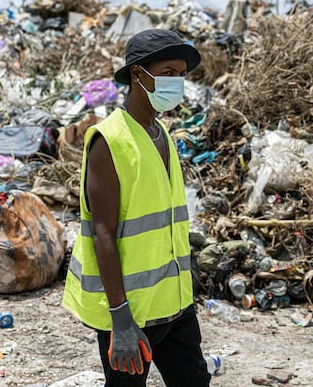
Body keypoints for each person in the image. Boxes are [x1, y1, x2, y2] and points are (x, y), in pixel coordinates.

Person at [63, 29, 210, 387]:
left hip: (174, 302)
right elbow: (102, 234)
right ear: (137, 74)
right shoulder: (109, 140)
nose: (176, 81)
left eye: (181, 74)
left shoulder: (163, 135)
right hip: (130, 311)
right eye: (167, 72)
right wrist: (121, 320)